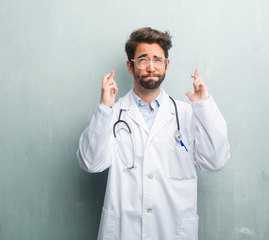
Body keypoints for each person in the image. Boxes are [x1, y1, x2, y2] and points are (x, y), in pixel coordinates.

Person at [76, 27, 230, 240]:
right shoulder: (113, 115)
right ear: (130, 67)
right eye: (142, 60)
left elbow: (215, 161)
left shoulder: (186, 114)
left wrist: (204, 105)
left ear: (166, 66)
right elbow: (90, 163)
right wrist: (104, 107)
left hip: (173, 230)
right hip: (124, 231)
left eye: (158, 59)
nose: (151, 67)